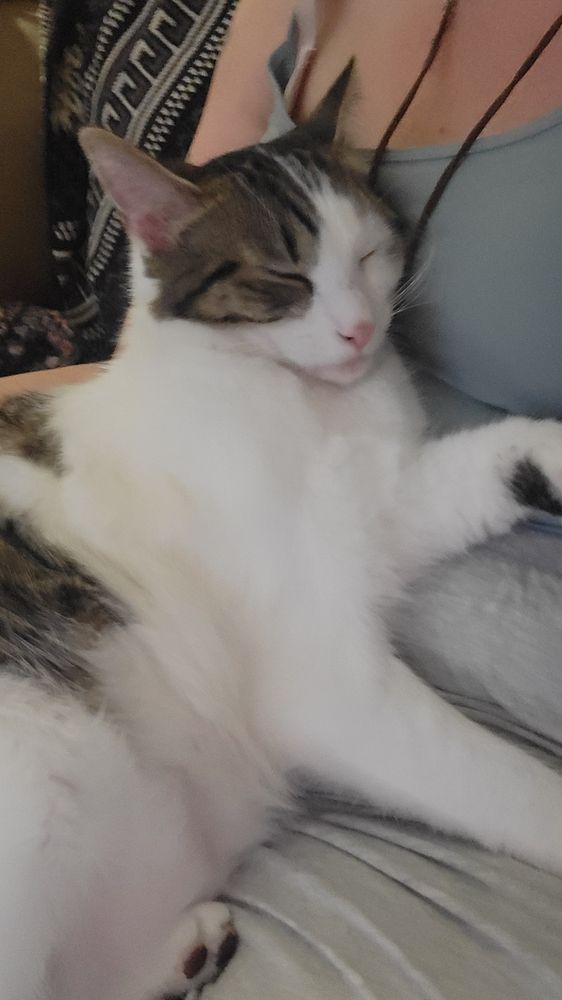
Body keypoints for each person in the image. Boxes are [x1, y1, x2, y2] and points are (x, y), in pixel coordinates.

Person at [2, 5, 562, 992]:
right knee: (46, 786)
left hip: (190, 778)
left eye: (370, 260)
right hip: (68, 678)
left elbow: (382, 520)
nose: (356, 324)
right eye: (285, 287)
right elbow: (328, 693)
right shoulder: (207, 390)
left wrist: (519, 457)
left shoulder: (337, 375)